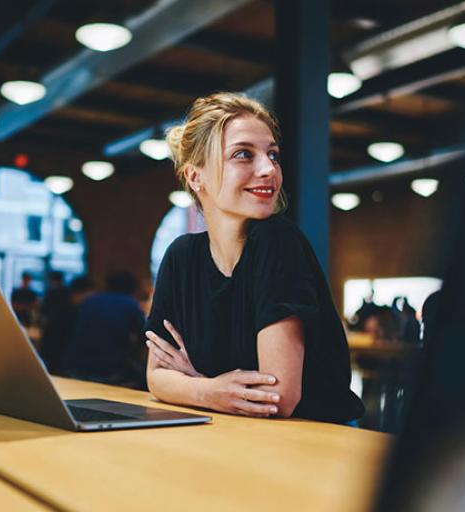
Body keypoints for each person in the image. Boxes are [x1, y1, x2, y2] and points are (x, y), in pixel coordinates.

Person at [144, 93, 364, 422]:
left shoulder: (278, 241)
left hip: (314, 445)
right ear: (194, 176)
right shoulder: (181, 256)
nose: (268, 169)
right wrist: (211, 391)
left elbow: (276, 399)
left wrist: (195, 383)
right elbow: (156, 378)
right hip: (239, 438)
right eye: (244, 154)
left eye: (272, 155)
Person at [62, 272, 145, 388]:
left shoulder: (90, 300)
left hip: (76, 365)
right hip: (111, 369)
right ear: (133, 288)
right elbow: (144, 335)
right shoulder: (130, 304)